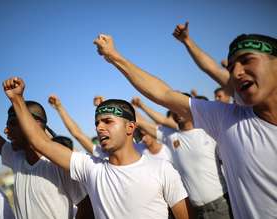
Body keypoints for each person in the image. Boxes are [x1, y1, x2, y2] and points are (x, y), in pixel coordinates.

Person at [93, 32, 277, 219]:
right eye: (231, 68)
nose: (237, 73)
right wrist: (113, 56)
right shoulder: (226, 119)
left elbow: (212, 69)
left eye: (247, 60)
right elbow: (163, 94)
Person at [2, 77, 193, 219]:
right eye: (97, 123)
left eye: (108, 121)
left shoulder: (161, 169)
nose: (99, 127)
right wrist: (18, 100)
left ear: (130, 127)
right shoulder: (92, 168)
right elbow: (40, 142)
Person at [0, 99, 88, 219]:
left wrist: (17, 98)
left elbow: (87, 208)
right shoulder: (17, 157)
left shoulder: (60, 162)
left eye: (12, 123)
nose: (6, 130)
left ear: (34, 124)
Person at [135, 94, 232, 219]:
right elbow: (145, 124)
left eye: (179, 107)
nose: (177, 112)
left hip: (221, 205)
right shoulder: (171, 137)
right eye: (173, 109)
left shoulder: (208, 132)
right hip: (195, 210)